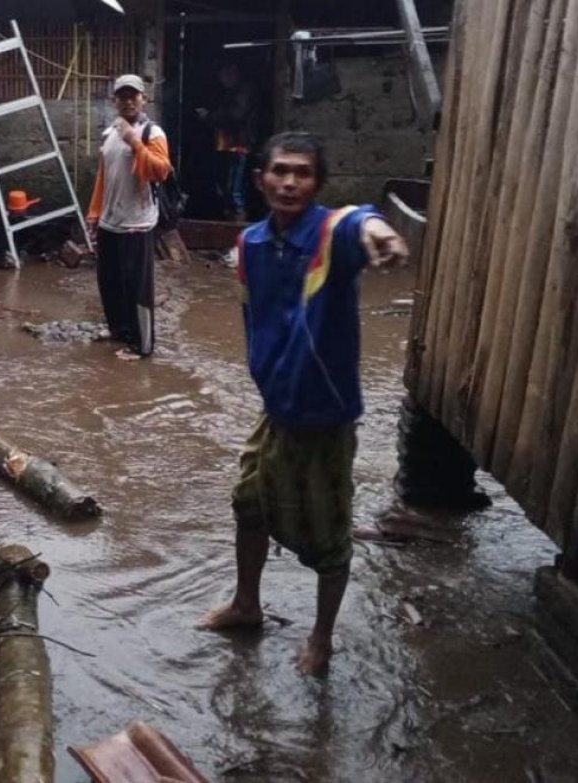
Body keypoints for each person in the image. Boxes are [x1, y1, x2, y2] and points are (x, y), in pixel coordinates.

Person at [201, 132, 408, 675]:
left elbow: (359, 219)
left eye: (303, 173)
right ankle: (247, 604)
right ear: (260, 178)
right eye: (280, 171)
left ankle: (321, 639)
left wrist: (380, 229)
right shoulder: (250, 244)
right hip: (276, 408)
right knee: (248, 502)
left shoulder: (330, 234)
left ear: (317, 184)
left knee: (329, 535)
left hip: (324, 415)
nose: (290, 182)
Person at [85, 74, 173, 360]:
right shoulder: (110, 134)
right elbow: (103, 177)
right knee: (110, 282)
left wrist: (135, 142)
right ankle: (118, 330)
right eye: (122, 96)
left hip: (137, 222)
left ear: (143, 99)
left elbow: (161, 170)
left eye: (133, 96)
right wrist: (94, 213)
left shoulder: (153, 133)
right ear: (115, 101)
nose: (128, 101)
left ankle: (143, 345)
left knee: (138, 286)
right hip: (110, 221)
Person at [195, 63, 256, 222]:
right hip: (227, 145)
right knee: (225, 189)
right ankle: (229, 224)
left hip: (238, 145)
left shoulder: (243, 92)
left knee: (234, 191)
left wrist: (209, 117)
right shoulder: (231, 93)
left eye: (226, 75)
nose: (223, 80)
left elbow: (235, 115)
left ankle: (237, 230)